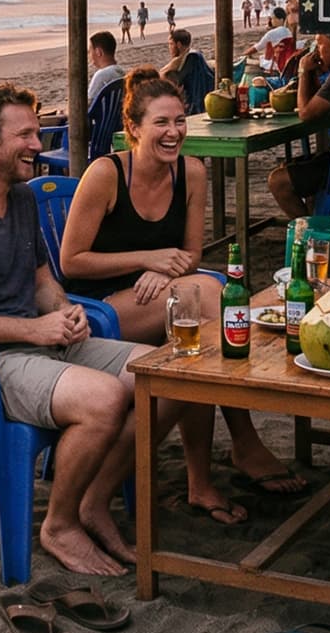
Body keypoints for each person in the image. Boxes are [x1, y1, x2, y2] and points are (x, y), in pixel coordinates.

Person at [0, 82, 168, 575]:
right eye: (25, 134)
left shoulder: (21, 198)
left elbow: (43, 282)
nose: (37, 141)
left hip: (35, 345)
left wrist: (65, 312)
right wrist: (32, 331)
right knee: (104, 399)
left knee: (172, 376)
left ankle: (94, 501)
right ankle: (60, 524)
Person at [58, 69, 304, 520]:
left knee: (202, 325)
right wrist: (146, 260)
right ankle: (242, 443)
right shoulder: (106, 174)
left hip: (160, 293)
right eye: (161, 123)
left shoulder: (191, 172)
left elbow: (190, 253)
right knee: (211, 301)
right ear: (133, 128)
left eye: (180, 122)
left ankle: (201, 481)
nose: (174, 133)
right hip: (99, 308)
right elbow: (71, 261)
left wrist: (166, 273)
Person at [266, 33, 330, 218]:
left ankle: (307, 234)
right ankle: (314, 226)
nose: (318, 51)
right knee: (296, 168)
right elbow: (321, 100)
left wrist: (302, 72)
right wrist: (313, 75)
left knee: (278, 181)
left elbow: (306, 114)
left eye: (320, 45)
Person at [161, 28, 213, 114]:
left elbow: (179, 80)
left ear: (178, 45)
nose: (169, 47)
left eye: (171, 44)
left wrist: (170, 67)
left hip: (197, 103)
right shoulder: (183, 58)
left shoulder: (192, 57)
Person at [86, 30, 123, 111]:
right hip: (113, 121)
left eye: (89, 51)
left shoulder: (101, 75)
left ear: (98, 52)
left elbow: (86, 106)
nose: (88, 55)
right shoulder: (120, 72)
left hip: (99, 122)